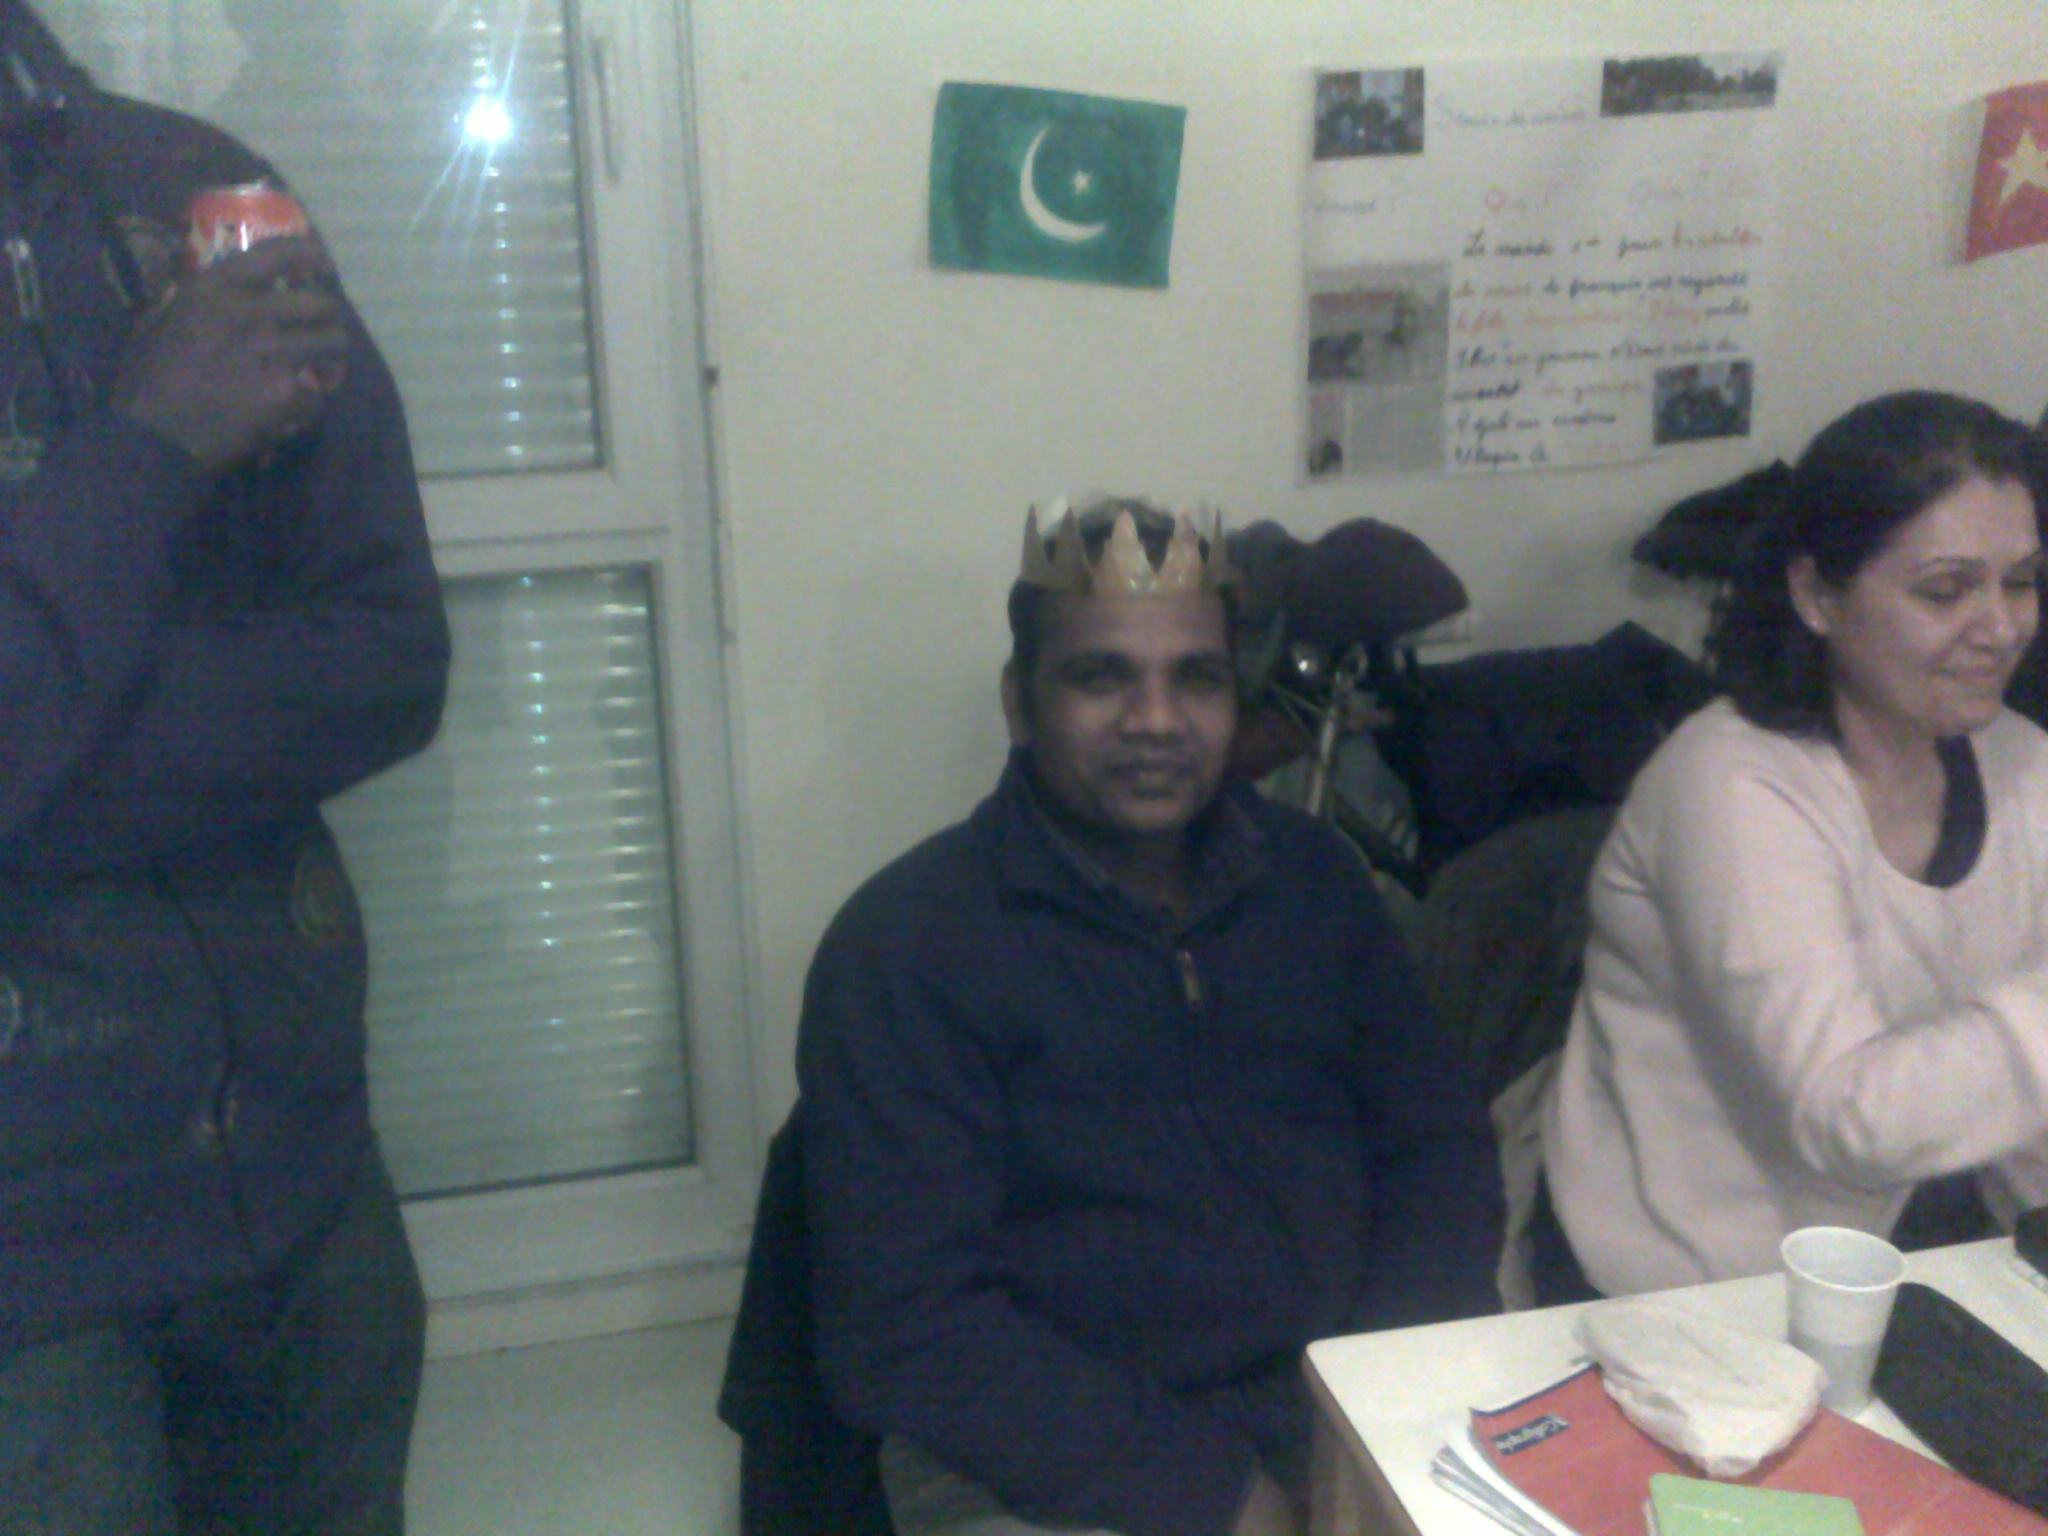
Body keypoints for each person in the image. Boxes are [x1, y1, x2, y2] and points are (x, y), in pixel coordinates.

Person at [795, 497, 1502, 1536]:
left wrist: (1381, 1408)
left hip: (1342, 1401)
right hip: (1048, 1454)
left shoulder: (1314, 880)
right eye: (1101, 677)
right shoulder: (907, 946)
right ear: (1020, 702)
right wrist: (1217, 1495)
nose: (1156, 720)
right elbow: (908, 1325)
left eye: (1196, 678)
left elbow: (1436, 1150)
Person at [0, 4, 449, 1531]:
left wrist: (42, 756)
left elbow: (390, 657)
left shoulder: (197, 189)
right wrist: (153, 439)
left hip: (309, 1197)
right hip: (29, 1297)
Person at [1540, 391, 2048, 1299]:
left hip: (1895, 1256)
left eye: (2020, 581)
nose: (2003, 627)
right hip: (1688, 1283)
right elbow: (1844, 1118)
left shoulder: (2020, 763)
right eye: (1946, 590)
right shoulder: (1732, 785)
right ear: (1816, 595)